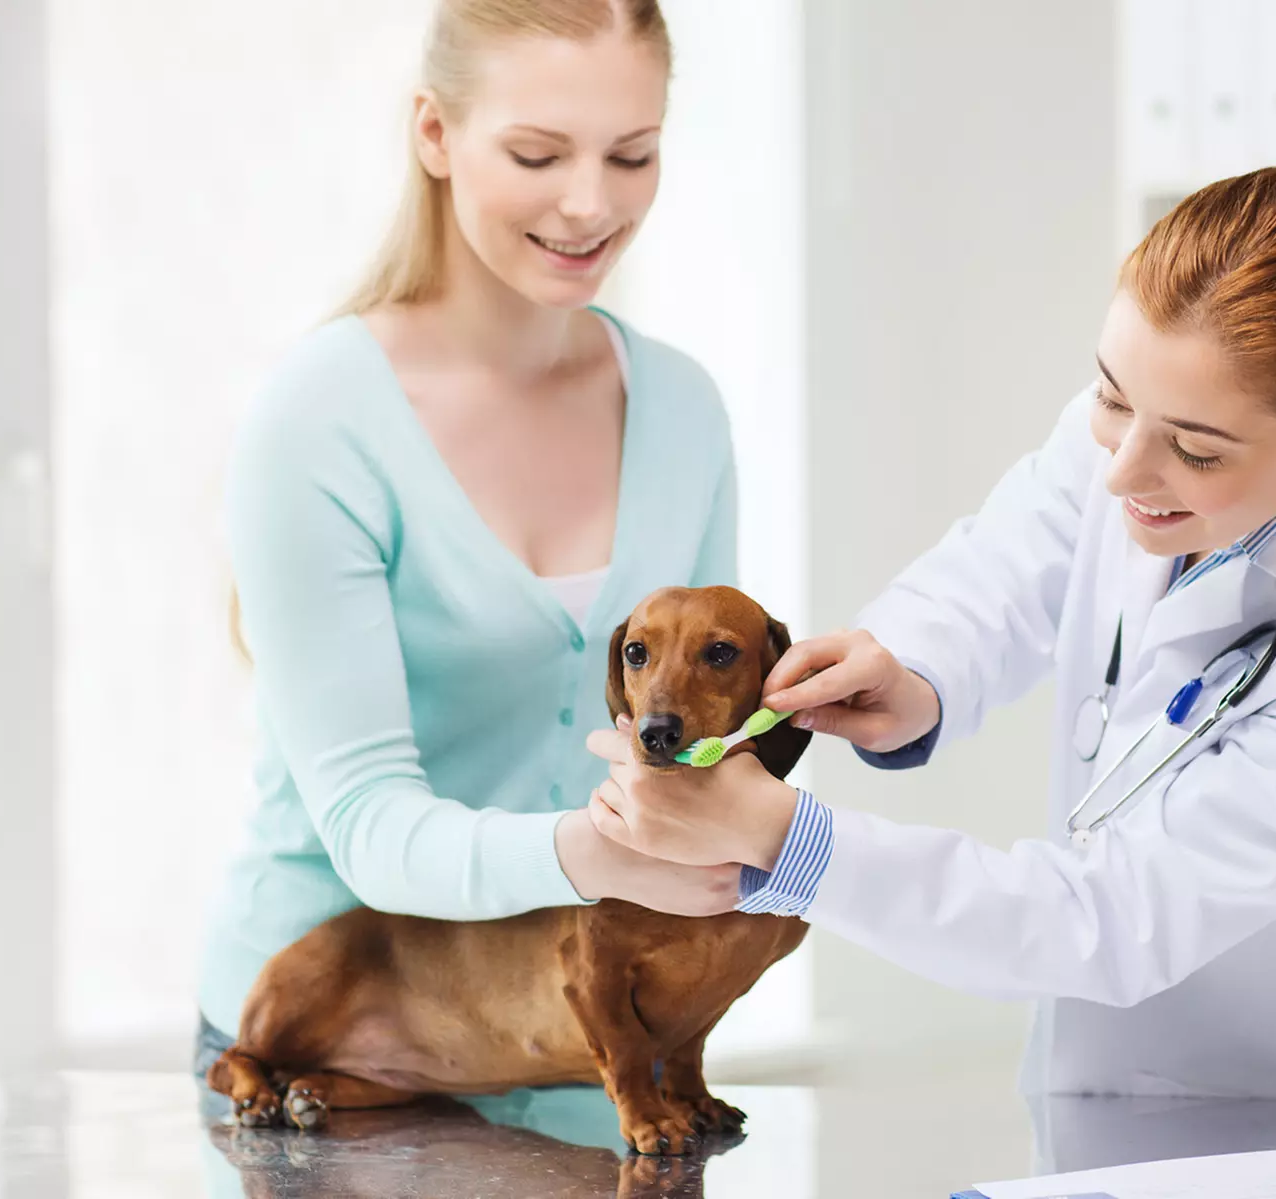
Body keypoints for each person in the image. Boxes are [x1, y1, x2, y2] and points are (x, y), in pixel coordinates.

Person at [585, 164, 1276, 1102]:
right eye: (1109, 398)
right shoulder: (1143, 423)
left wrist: (783, 838)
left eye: (1195, 450)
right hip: (1091, 1088)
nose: (1120, 472)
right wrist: (909, 668)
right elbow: (1001, 566)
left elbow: (1120, 918)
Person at [195, 0, 746, 1070]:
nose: (591, 203)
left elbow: (700, 738)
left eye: (632, 155)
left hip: (581, 1041)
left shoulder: (684, 409)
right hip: (333, 1044)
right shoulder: (322, 419)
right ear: (435, 134)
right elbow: (368, 826)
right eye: (538, 154)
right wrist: (601, 852)